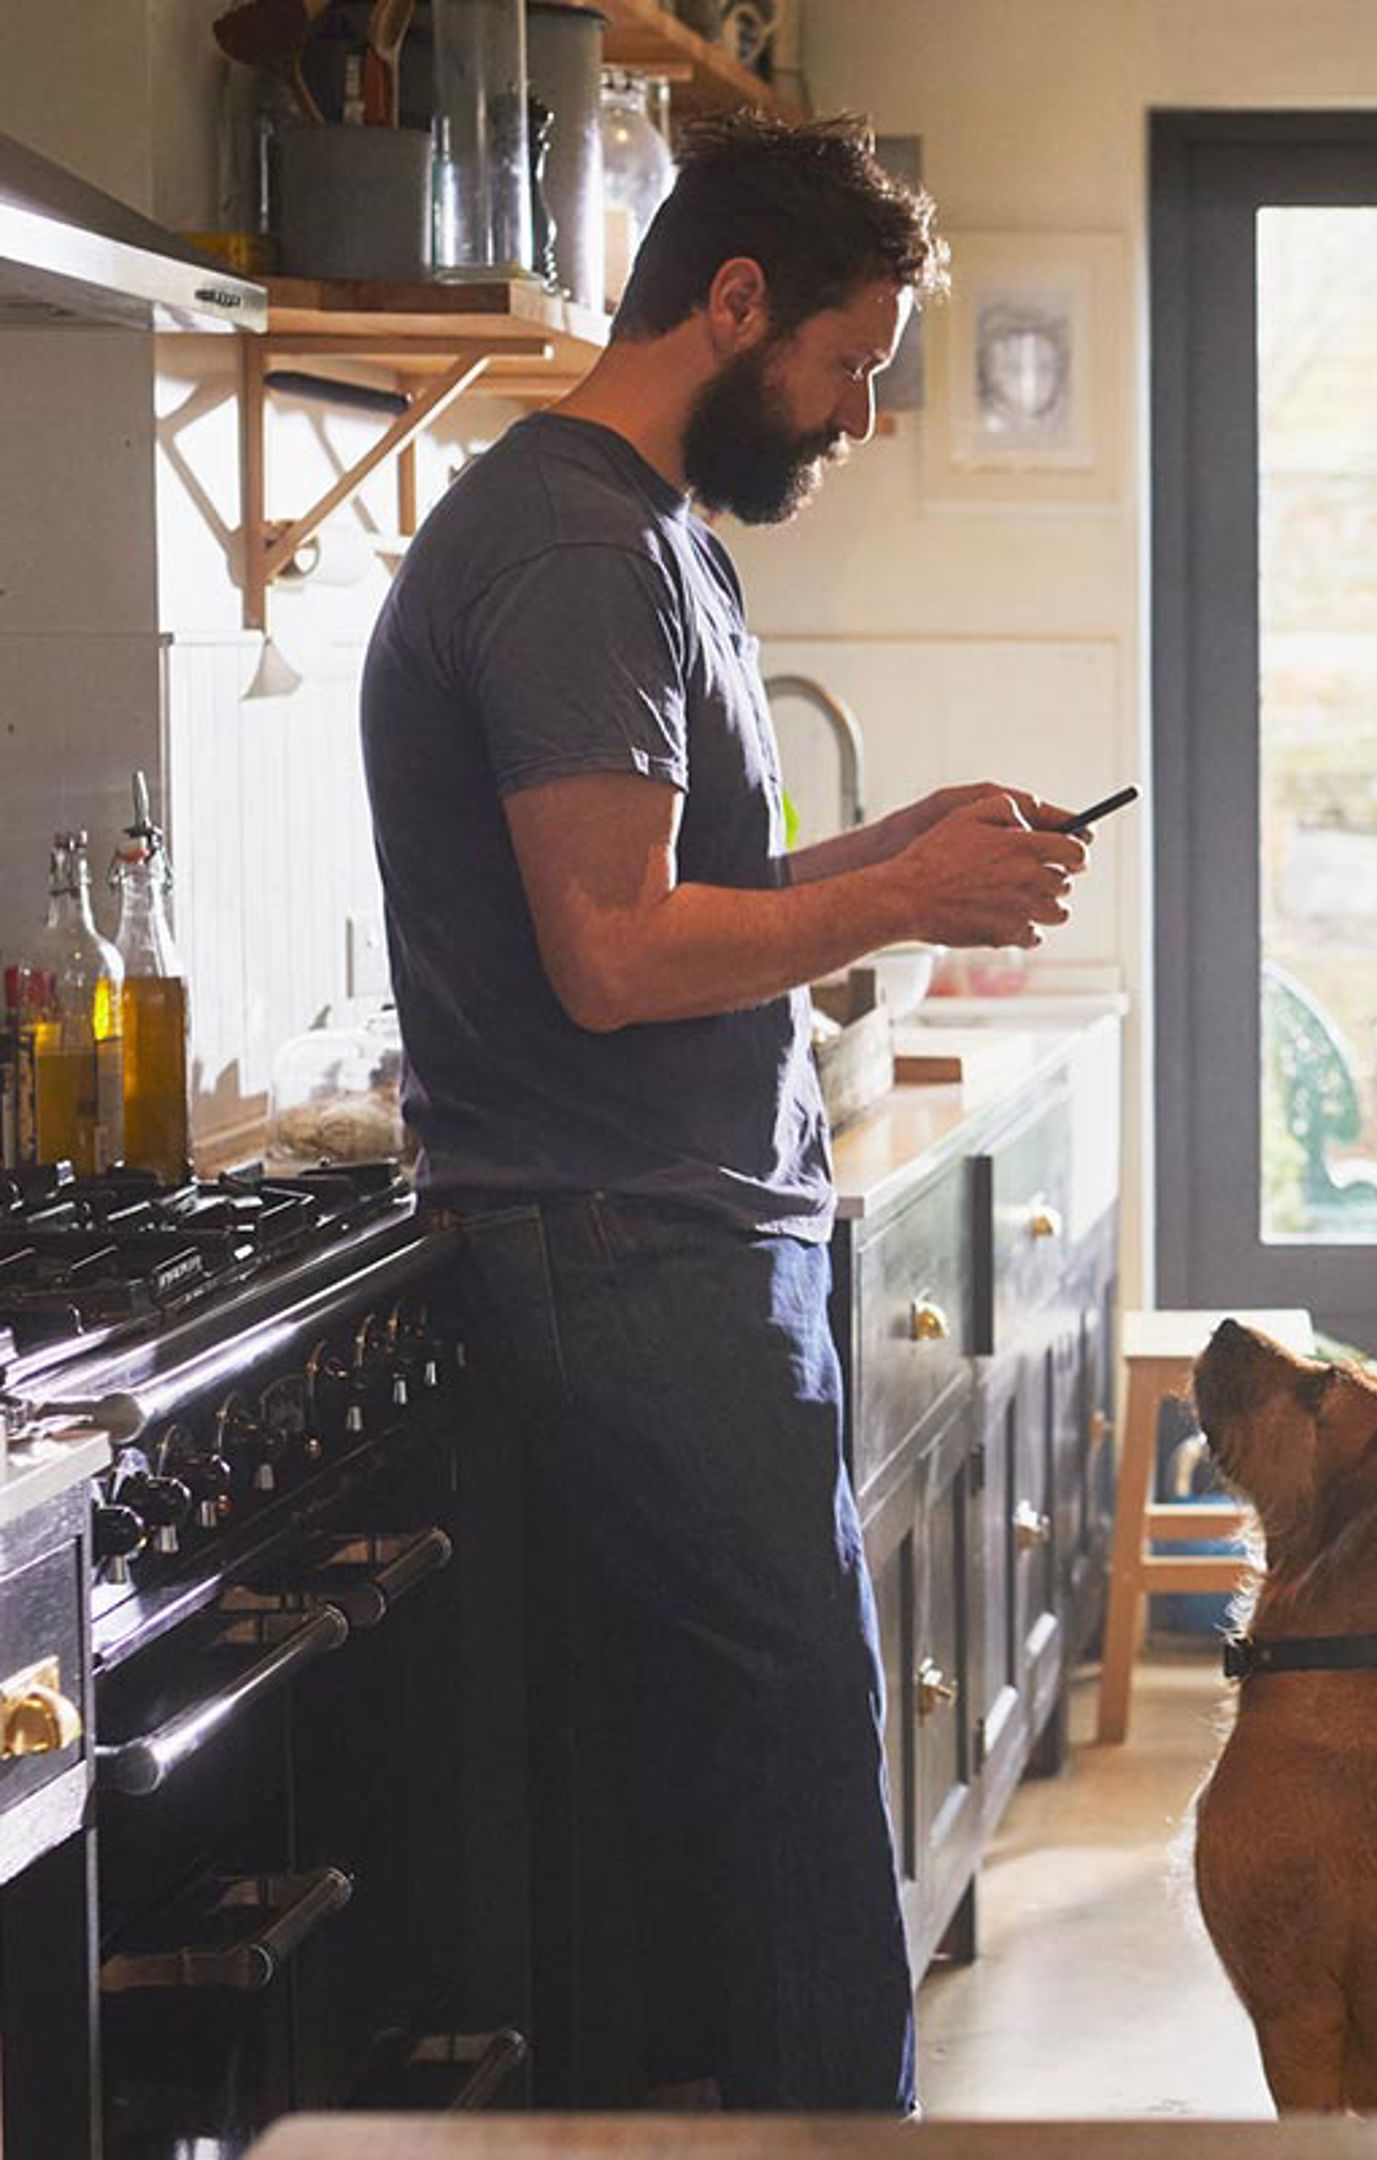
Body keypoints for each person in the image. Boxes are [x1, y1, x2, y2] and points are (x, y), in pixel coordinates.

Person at [358, 111, 1085, 2113]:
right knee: (789, 1750)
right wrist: (907, 899)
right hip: (625, 1234)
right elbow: (611, 950)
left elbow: (687, 888)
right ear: (737, 303)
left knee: (755, 1748)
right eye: (847, 363)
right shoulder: (575, 547)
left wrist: (896, 848)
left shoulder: (649, 531)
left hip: (675, 1227)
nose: (856, 415)